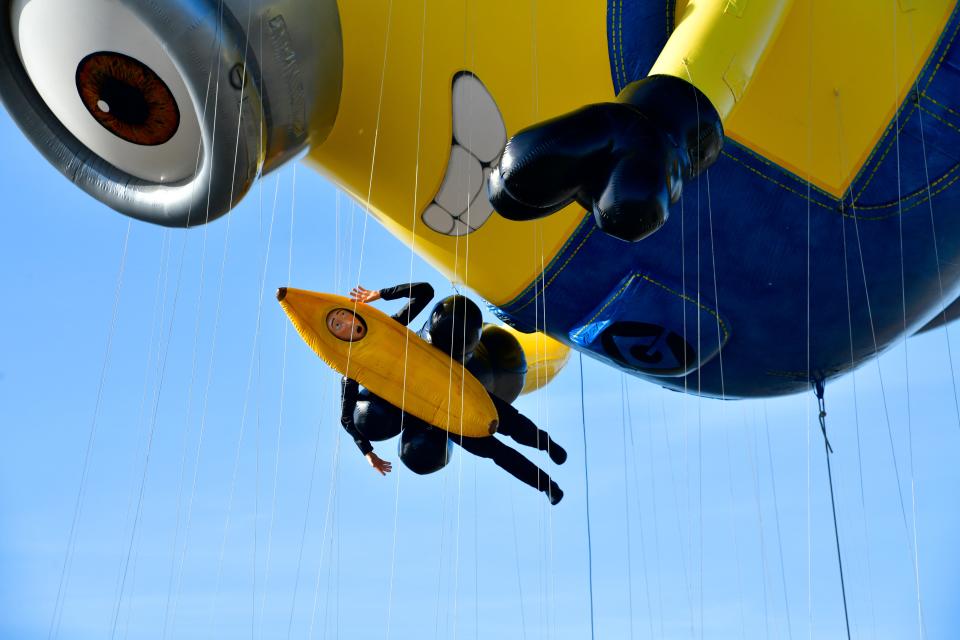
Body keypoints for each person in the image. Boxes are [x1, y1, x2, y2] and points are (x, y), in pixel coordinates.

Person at [332, 282, 567, 505]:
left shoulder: (389, 330)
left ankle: (546, 444)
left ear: (354, 313)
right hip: (439, 414)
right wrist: (368, 452)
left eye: (343, 316)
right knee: (496, 452)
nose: (344, 324)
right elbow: (346, 418)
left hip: (455, 384)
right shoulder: (352, 370)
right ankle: (547, 485)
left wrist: (381, 294)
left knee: (511, 421)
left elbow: (425, 291)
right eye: (336, 325)